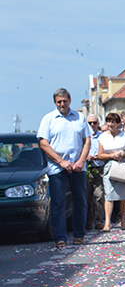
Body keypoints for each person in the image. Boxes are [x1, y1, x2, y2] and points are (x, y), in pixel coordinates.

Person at [38, 89, 91, 248]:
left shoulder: (79, 117)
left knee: (80, 201)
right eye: (59, 102)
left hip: (77, 166)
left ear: (70, 100)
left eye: (64, 101)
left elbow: (87, 140)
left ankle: (79, 235)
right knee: (58, 203)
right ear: (55, 102)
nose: (62, 104)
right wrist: (61, 162)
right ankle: (60, 237)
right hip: (57, 167)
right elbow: (43, 144)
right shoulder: (49, 119)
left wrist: (81, 161)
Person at [97, 112, 125, 231]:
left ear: (118, 124)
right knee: (109, 194)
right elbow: (100, 155)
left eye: (113, 122)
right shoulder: (102, 137)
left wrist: (122, 153)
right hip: (109, 167)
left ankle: (123, 220)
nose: (110, 124)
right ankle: (107, 221)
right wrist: (112, 155)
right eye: (109, 122)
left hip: (122, 166)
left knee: (124, 195)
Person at [85, 114, 105, 231]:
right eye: (90, 123)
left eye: (94, 123)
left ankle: (99, 220)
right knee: (87, 196)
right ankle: (88, 220)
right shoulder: (84, 137)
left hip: (99, 167)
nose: (92, 125)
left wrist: (99, 156)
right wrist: (86, 156)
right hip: (87, 168)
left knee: (98, 196)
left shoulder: (102, 137)